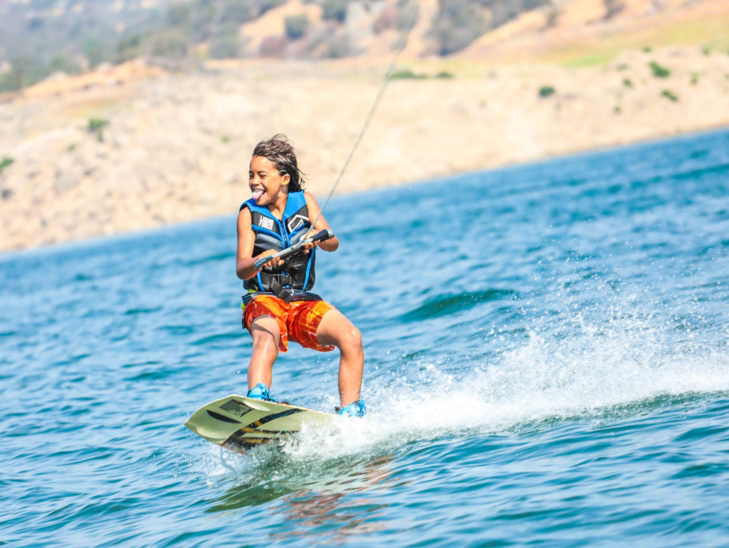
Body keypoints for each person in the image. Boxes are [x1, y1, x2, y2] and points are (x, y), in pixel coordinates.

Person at [235, 134, 366, 417]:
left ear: (283, 178)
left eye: (261, 175)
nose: (254, 182)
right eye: (251, 176)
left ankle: (351, 412)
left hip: (301, 302)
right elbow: (241, 268)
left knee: (351, 337)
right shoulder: (248, 213)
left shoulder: (305, 201)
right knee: (266, 339)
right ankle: (258, 401)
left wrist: (314, 237)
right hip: (264, 300)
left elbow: (333, 242)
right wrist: (259, 260)